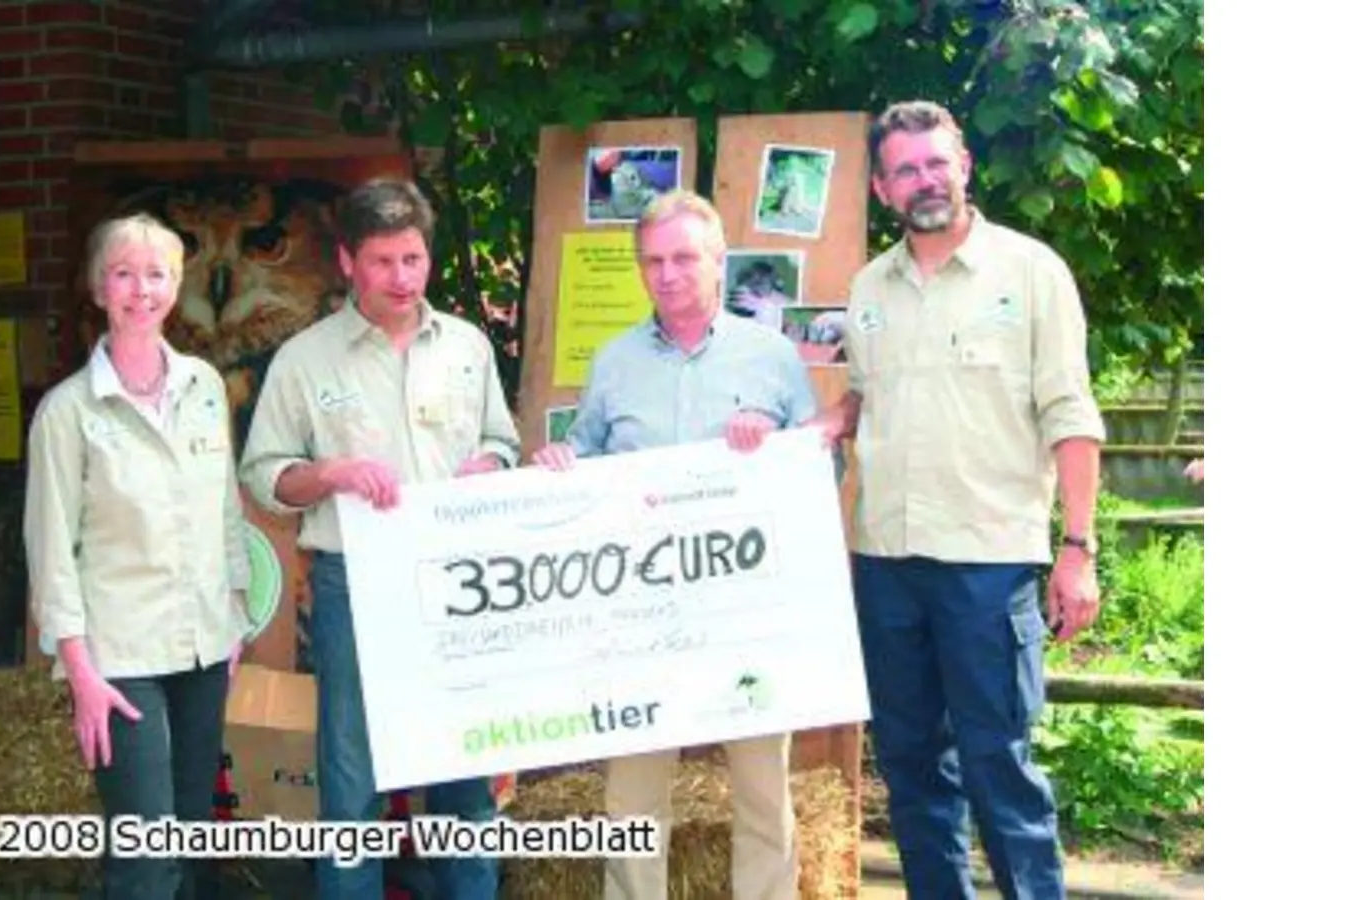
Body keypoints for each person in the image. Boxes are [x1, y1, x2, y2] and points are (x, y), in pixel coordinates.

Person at [816, 100, 1107, 899]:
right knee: (910, 771)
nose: (925, 180)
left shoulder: (1031, 272)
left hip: (989, 563)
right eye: (905, 169)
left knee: (997, 769)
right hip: (887, 565)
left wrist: (1077, 551)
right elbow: (873, 399)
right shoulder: (868, 287)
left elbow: (1071, 416)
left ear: (966, 165)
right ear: (881, 188)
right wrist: (837, 417)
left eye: (937, 163)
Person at [533, 189, 832, 900]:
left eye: (683, 258)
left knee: (763, 790)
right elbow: (587, 455)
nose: (667, 274)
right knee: (633, 794)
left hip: (746, 611)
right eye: (653, 261)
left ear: (718, 261)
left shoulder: (772, 358)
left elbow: (825, 470)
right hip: (644, 616)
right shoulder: (613, 362)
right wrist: (558, 463)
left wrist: (778, 445)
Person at [239, 177, 520, 900]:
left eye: (413, 260)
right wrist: (328, 471)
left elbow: (502, 442)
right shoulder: (303, 359)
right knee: (350, 781)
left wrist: (489, 462)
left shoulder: (467, 347)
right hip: (352, 586)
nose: (402, 277)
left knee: (466, 775)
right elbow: (265, 475)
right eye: (384, 261)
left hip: (458, 584)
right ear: (347, 262)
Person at [23, 211, 255, 899]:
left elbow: (225, 511)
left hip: (204, 648)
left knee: (193, 848)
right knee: (146, 862)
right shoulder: (67, 414)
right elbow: (51, 549)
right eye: (122, 274)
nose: (140, 289)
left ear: (176, 286)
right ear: (98, 288)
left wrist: (236, 618)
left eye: (156, 274)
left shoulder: (205, 389)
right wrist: (79, 672)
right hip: (119, 661)